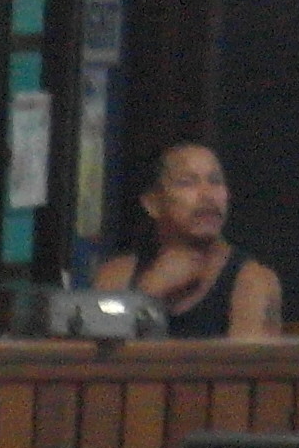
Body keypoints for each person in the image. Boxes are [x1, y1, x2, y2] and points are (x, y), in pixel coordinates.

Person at [94, 142, 282, 338]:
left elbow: (246, 358)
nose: (207, 195)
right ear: (152, 203)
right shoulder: (117, 275)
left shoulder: (252, 281)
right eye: (187, 183)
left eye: (215, 181)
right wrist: (149, 292)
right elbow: (91, 350)